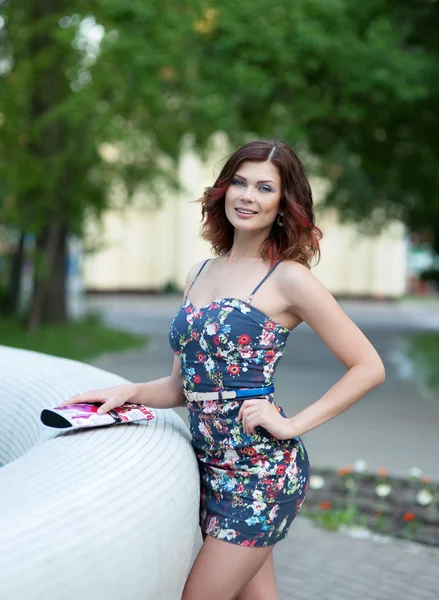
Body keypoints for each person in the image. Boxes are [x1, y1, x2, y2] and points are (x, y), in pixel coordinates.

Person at [60, 140, 386, 600]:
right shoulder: (199, 272)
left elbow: (368, 366)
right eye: (239, 182)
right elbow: (180, 386)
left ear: (282, 204)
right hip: (211, 467)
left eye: (264, 188)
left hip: (262, 472)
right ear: (223, 191)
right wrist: (126, 392)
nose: (247, 196)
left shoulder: (288, 277)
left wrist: (292, 424)